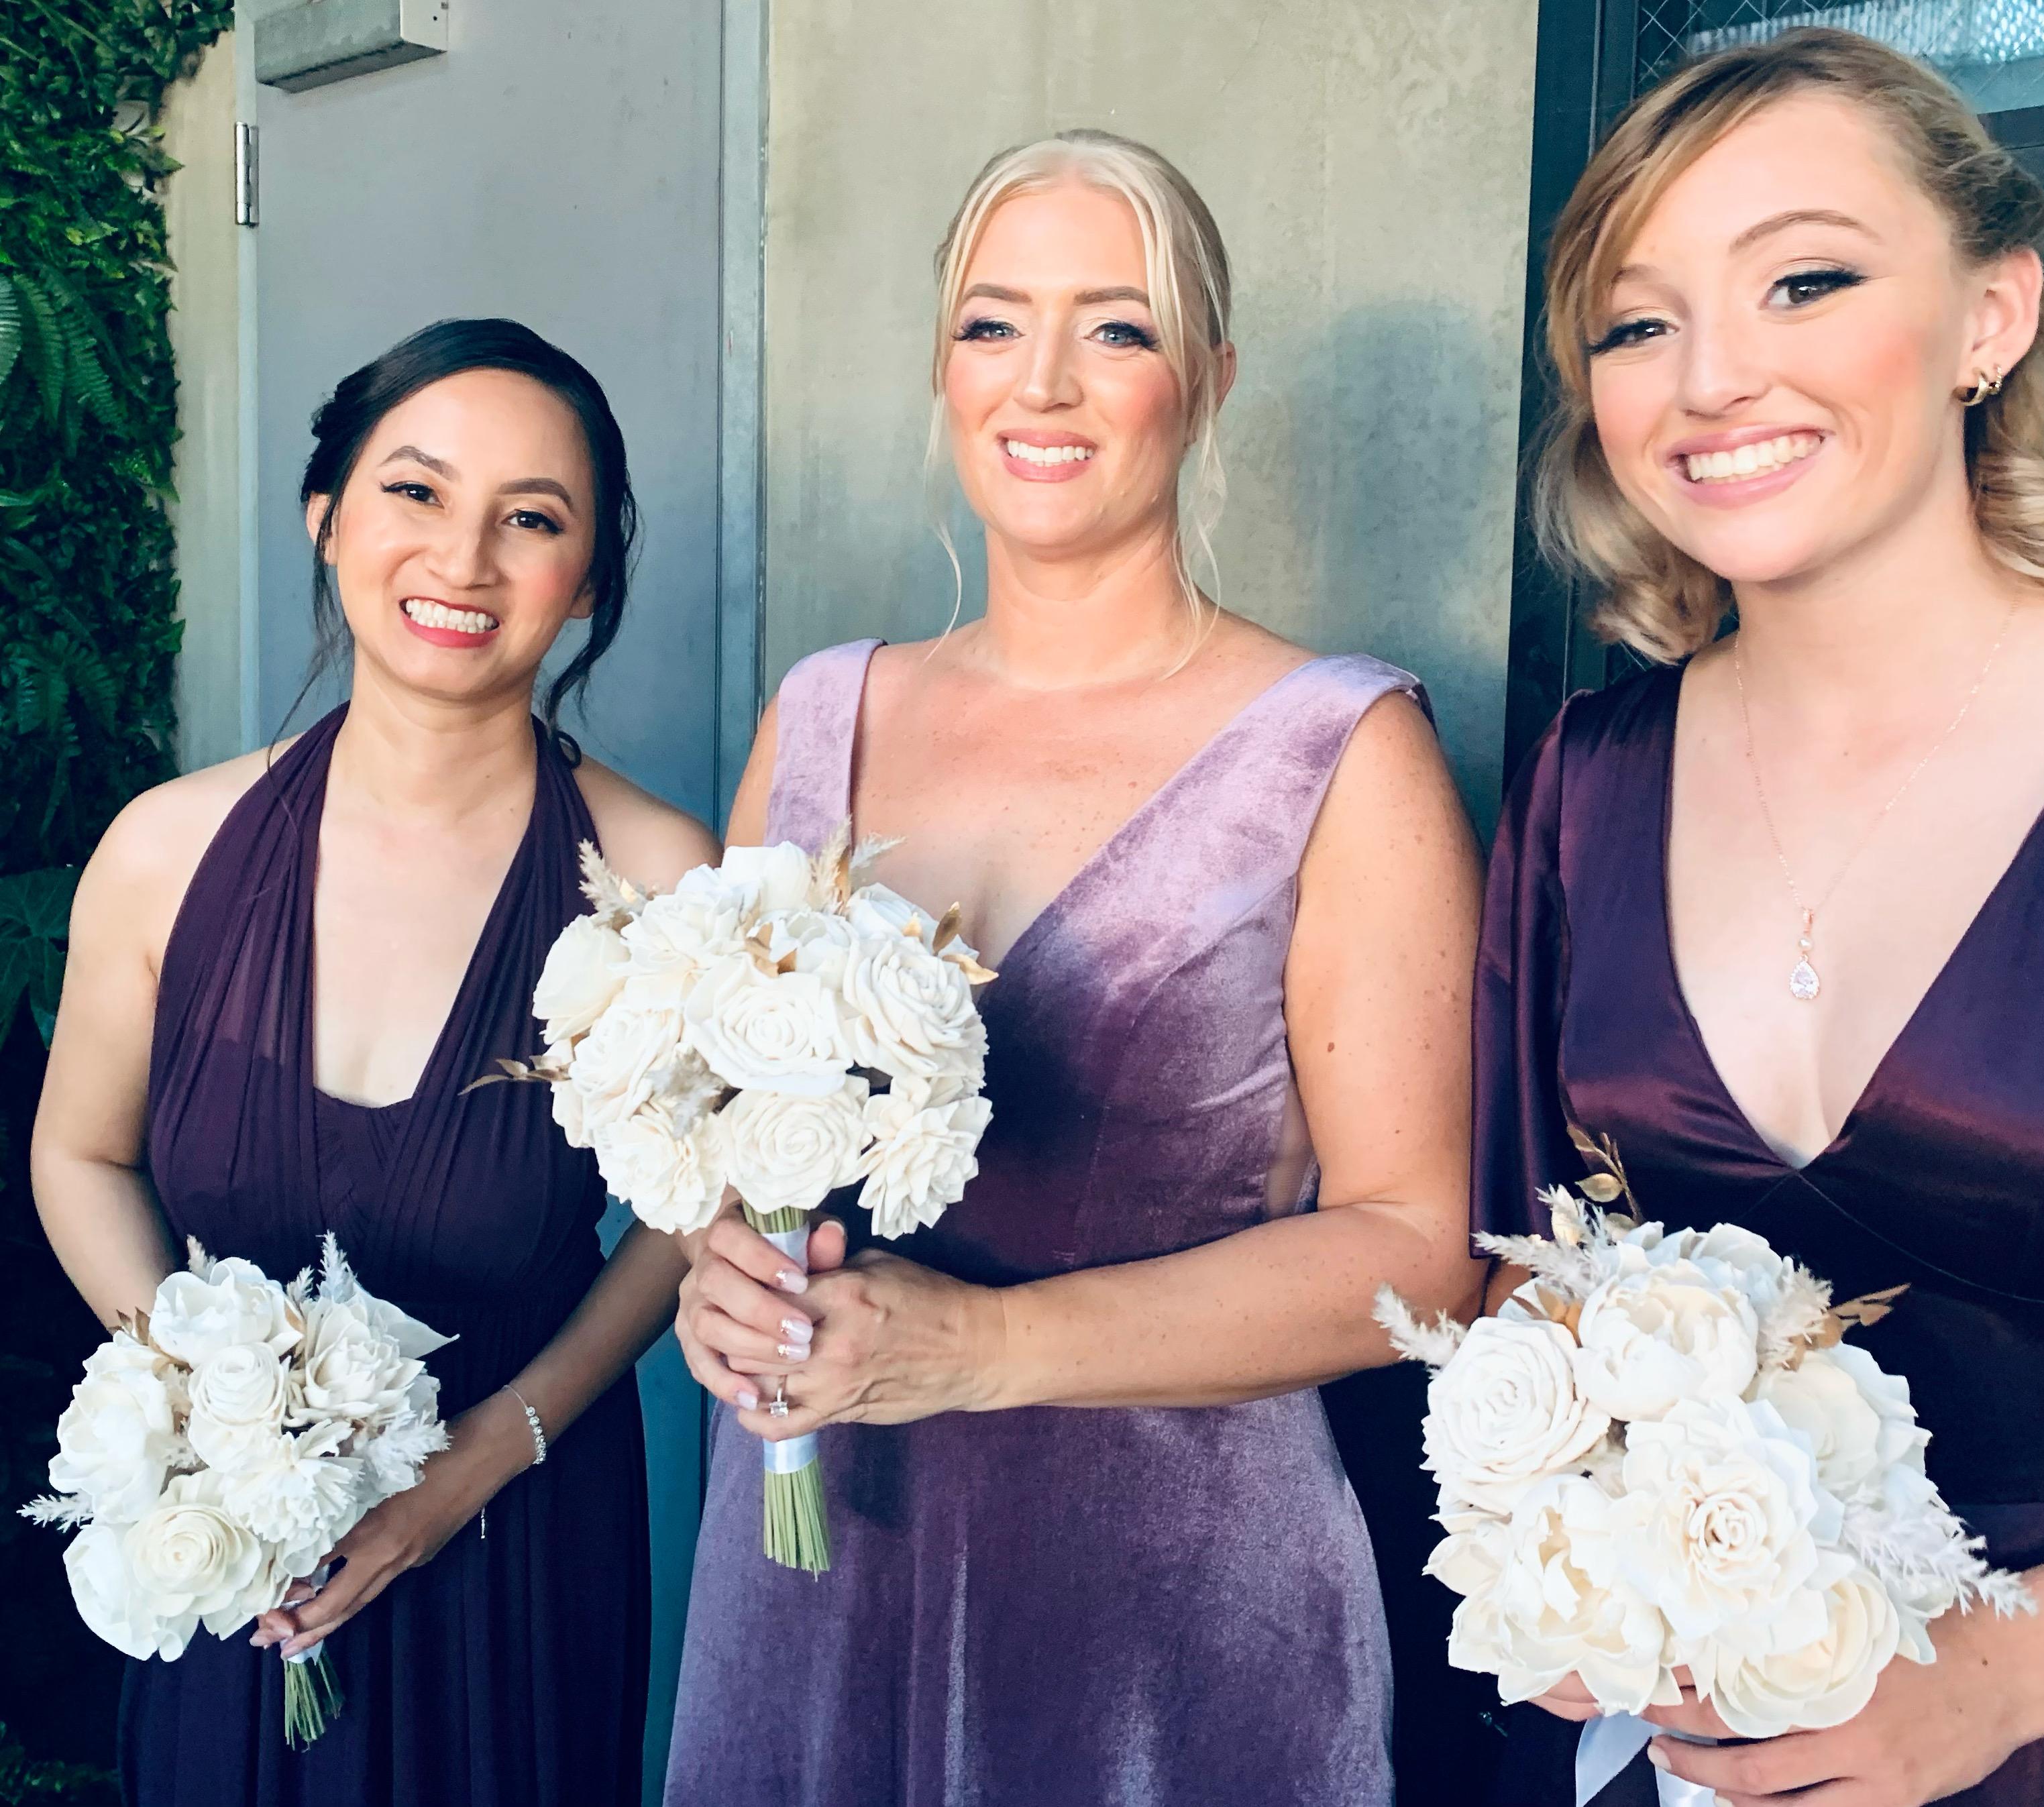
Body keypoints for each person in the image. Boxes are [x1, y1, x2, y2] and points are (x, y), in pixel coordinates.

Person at [665, 129, 1482, 1805]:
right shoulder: (816, 715)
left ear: (1209, 380)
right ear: (942, 365)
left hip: (1159, 1613)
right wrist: (718, 1272)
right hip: (812, 1562)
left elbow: (1421, 1251)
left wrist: (981, 1350)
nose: (1042, 383)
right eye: (992, 323)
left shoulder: (1344, 749)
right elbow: (727, 1138)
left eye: (1116, 327)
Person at [1476, 28, 2044, 1807]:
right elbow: (1535, 1281)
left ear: (1990, 315)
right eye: (1635, 325)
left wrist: (2001, 1678)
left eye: (1803, 281)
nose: (1711, 377)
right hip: (1719, 1760)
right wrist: (1555, 1552)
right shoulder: (1585, 783)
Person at [32, 318, 715, 1806]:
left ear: (588, 581)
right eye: (415, 491)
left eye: (530, 519)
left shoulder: (660, 877)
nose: (462, 558)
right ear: (326, 516)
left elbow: (690, 1216)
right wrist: (220, 1408)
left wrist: (479, 1460)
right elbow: (77, 1153)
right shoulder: (162, 852)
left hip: (515, 1547)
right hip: (236, 1553)